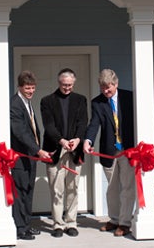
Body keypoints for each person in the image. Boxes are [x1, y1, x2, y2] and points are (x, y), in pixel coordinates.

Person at [83, 69, 136, 237]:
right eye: (103, 88)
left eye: (109, 87)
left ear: (116, 84)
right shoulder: (97, 103)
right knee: (112, 188)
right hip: (109, 151)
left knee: (127, 188)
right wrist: (88, 140)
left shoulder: (130, 97)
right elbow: (94, 124)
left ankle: (125, 223)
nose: (106, 91)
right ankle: (114, 220)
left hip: (128, 150)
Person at [40, 68, 88, 238]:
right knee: (56, 189)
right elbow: (49, 125)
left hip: (74, 151)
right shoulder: (47, 101)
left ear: (73, 83)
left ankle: (71, 223)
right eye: (64, 84)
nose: (67, 87)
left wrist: (77, 139)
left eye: (69, 85)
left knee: (73, 188)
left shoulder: (81, 100)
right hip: (55, 150)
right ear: (58, 83)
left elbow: (83, 122)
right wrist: (62, 141)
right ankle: (58, 224)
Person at [10, 70, 51, 240]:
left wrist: (37, 150)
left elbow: (33, 130)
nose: (31, 91)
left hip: (30, 157)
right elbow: (20, 132)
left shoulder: (26, 102)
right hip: (20, 158)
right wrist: (38, 150)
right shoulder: (15, 104)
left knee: (28, 191)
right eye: (27, 88)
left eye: (33, 88)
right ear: (20, 87)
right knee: (20, 194)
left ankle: (27, 225)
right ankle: (20, 228)